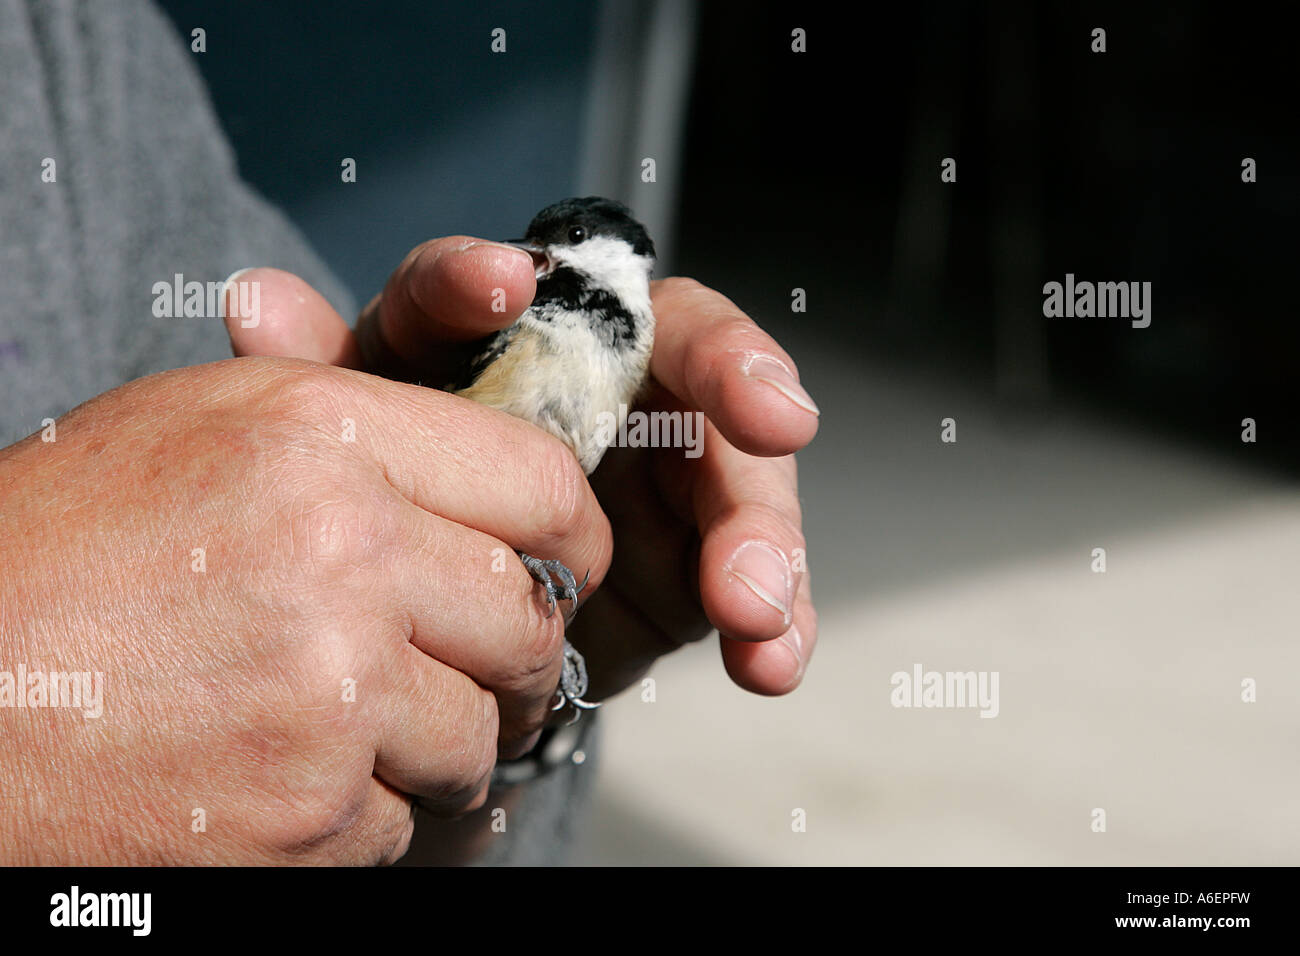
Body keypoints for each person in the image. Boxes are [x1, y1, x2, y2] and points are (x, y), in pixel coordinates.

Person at [0, 0, 818, 864]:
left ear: (620, 253)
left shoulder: (79, 60)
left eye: (571, 239)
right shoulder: (531, 321)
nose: (544, 256)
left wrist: (523, 718)